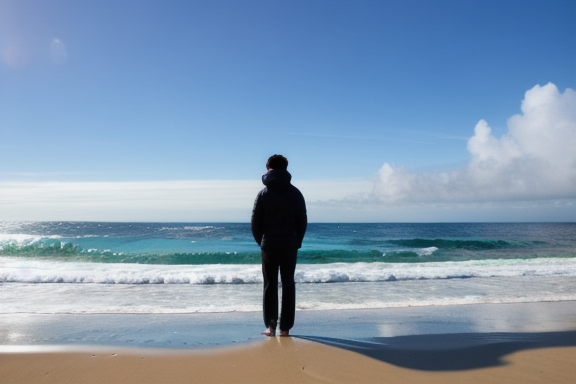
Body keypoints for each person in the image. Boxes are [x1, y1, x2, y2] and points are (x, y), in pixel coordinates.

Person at [251, 154, 307, 337]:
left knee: (270, 285)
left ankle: (271, 327)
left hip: (269, 245)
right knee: (288, 283)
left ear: (268, 169)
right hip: (289, 244)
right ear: (286, 169)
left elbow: (255, 223)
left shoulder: (263, 194)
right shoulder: (296, 193)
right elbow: (302, 221)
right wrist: (297, 241)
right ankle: (285, 329)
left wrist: (262, 241)